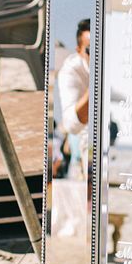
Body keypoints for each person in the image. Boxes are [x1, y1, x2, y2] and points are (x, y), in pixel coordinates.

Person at [57, 18, 91, 163]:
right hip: (84, 140)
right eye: (90, 50)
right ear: (79, 51)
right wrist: (96, 87)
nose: (98, 55)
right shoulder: (69, 71)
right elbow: (71, 124)